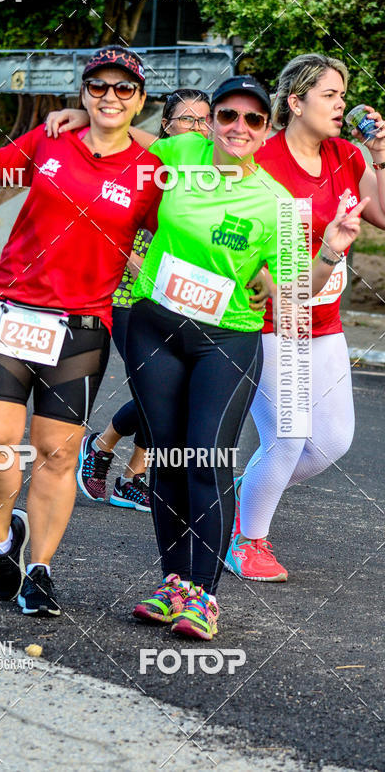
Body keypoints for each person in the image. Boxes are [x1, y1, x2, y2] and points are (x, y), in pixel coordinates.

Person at [120, 74, 366, 640]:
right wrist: (76, 118)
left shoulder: (276, 201)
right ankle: (172, 584)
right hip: (155, 328)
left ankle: (203, 595)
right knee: (167, 458)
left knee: (205, 457)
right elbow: (114, 145)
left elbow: (298, 289)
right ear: (210, 121)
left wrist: (331, 250)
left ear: (265, 128)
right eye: (228, 115)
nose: (239, 127)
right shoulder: (179, 154)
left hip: (226, 339)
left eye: (253, 120)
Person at [0, 46, 164, 616]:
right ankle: (1, 544)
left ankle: (39, 570)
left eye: (124, 88)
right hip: (10, 308)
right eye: (98, 87)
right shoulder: (51, 139)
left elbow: (181, 230)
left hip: (81, 326)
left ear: (140, 99)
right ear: (83, 92)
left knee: (56, 455)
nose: (110, 96)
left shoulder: (152, 169)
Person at [46, 87, 266, 512]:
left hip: (195, 304)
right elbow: (108, 217)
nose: (197, 128)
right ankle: (108, 450)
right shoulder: (145, 165)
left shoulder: (212, 171)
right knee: (160, 394)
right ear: (166, 126)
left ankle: (124, 469)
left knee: (178, 396)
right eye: (188, 120)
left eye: (204, 120)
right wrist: (136, 264)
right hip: (134, 299)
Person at [225, 53, 385, 582]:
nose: (341, 105)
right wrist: (264, 286)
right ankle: (247, 541)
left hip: (325, 320)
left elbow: (382, 216)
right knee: (289, 437)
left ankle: (238, 499)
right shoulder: (262, 159)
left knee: (331, 442)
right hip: (271, 320)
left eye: (343, 96)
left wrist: (380, 155)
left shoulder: (347, 155)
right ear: (295, 102)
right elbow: (228, 232)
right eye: (329, 95)